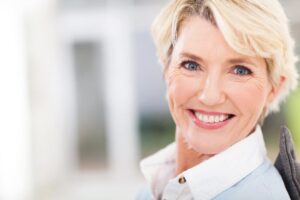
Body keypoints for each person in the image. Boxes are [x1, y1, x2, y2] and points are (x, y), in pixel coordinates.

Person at [137, 0, 299, 199]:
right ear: (166, 68)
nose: (210, 97)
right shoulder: (152, 189)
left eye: (240, 70)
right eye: (191, 65)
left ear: (274, 88)